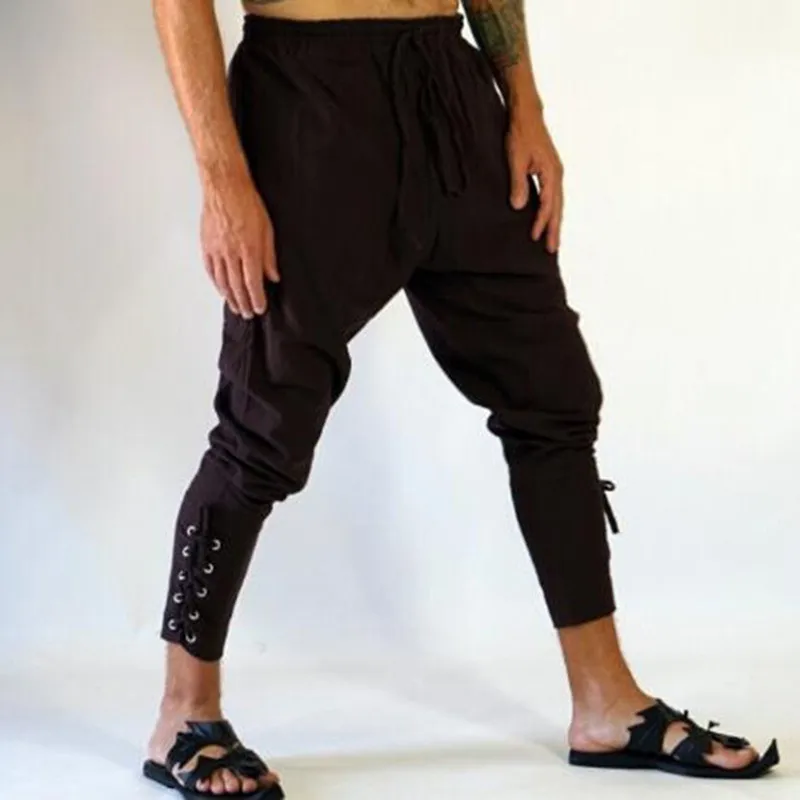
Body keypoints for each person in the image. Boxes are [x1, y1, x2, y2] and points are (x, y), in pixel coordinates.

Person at [142, 0, 779, 797]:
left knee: (551, 396)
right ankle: (184, 712)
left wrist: (524, 104)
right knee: (263, 424)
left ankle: (605, 702)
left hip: (452, 83)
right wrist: (222, 176)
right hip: (308, 96)